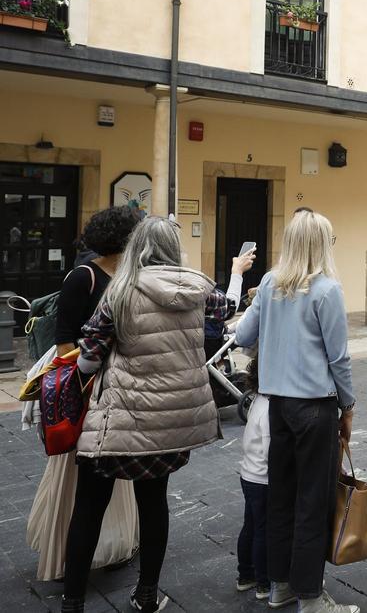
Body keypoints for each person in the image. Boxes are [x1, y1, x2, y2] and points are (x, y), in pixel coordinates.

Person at [65, 216, 252, 613]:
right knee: (154, 505)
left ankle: (72, 601)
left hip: (119, 419)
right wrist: (235, 273)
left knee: (88, 507)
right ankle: (147, 593)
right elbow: (229, 308)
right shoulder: (199, 289)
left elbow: (88, 359)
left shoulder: (120, 292)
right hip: (170, 424)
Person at [233, 210, 357, 613]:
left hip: (277, 405)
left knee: (281, 495)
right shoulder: (326, 289)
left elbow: (245, 335)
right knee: (313, 500)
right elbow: (338, 357)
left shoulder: (269, 283)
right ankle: (310, 596)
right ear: (321, 245)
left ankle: (280, 585)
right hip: (315, 406)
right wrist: (349, 404)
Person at [28, 207, 141, 584]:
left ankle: (111, 544)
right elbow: (63, 342)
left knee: (113, 472)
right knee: (81, 475)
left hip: (116, 389)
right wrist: (91, 366)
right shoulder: (83, 277)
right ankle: (70, 551)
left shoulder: (126, 275)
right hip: (86, 387)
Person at [236, 390, 271, 601]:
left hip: (248, 473)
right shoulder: (269, 407)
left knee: (250, 525)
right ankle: (263, 583)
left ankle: (245, 575)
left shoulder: (258, 400)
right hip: (262, 478)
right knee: (262, 531)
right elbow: (270, 450)